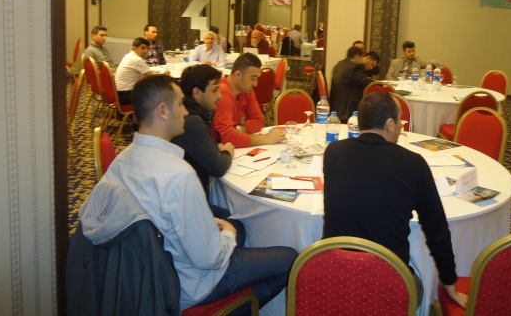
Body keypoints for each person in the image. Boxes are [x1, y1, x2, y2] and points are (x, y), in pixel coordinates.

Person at [78, 75, 297, 312]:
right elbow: (210, 259)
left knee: (238, 227)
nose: (185, 112)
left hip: (142, 268)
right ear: (162, 111)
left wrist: (214, 229)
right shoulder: (179, 176)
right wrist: (228, 235)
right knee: (289, 260)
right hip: (183, 283)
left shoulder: (123, 159)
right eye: (181, 104)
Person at [323, 92, 468, 309]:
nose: (401, 127)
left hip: (335, 276)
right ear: (390, 124)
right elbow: (437, 230)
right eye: (400, 121)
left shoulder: (333, 152)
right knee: (418, 284)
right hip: (386, 282)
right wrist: (450, 283)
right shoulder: (413, 164)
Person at [172, 65, 235, 216]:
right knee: (240, 221)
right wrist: (227, 152)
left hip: (187, 197)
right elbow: (218, 167)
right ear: (197, 93)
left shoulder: (197, 113)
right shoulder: (192, 120)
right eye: (214, 90)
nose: (219, 96)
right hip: (186, 206)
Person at [213, 53, 285, 148]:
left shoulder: (245, 90)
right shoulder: (222, 93)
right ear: (238, 75)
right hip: (213, 148)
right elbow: (228, 138)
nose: (256, 84)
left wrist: (239, 129)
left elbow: (259, 120)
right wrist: (265, 138)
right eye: (252, 79)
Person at [115, 37, 168, 105]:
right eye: (142, 48)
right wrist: (165, 74)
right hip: (127, 96)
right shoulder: (136, 59)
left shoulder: (128, 56)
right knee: (158, 93)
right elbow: (153, 79)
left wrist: (151, 74)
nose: (145, 51)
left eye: (147, 48)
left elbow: (146, 74)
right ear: (134, 48)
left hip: (122, 94)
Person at [329, 46, 372, 120]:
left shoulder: (339, 64)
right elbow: (368, 83)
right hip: (348, 107)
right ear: (357, 56)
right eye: (361, 57)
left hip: (336, 105)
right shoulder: (355, 67)